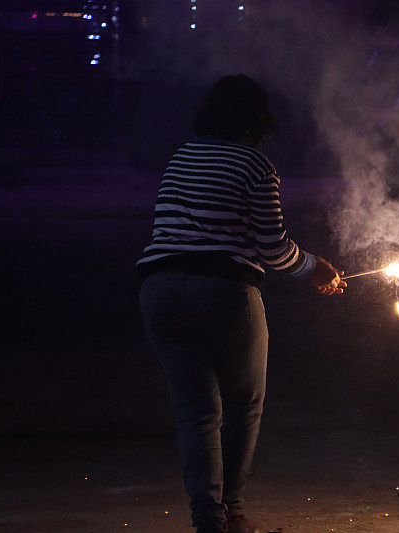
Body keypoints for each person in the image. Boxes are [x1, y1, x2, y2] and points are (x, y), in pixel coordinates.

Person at [137, 74, 346, 533]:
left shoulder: (181, 156)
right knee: (243, 404)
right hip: (224, 292)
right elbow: (272, 247)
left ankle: (208, 520)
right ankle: (232, 511)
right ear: (258, 119)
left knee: (196, 411)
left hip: (159, 289)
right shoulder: (255, 165)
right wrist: (316, 269)